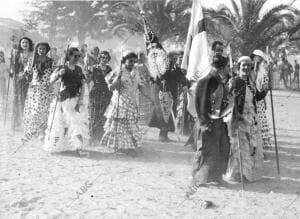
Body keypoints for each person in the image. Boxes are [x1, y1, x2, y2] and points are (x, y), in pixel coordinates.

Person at [186, 54, 231, 197]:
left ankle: (215, 177)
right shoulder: (208, 80)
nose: (227, 69)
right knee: (205, 149)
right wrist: (205, 123)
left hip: (218, 121)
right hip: (207, 122)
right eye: (226, 67)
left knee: (222, 147)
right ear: (222, 67)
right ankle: (197, 177)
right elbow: (202, 103)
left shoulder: (218, 80)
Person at [224, 56, 268, 183]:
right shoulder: (234, 81)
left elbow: (256, 97)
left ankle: (247, 173)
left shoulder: (250, 82)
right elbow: (226, 98)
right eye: (244, 65)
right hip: (239, 119)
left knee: (250, 146)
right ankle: (237, 173)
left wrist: (264, 91)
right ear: (239, 67)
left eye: (249, 66)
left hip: (251, 118)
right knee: (239, 146)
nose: (246, 68)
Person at [100, 51, 152, 156]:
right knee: (119, 125)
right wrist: (118, 77)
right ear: (124, 61)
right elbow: (110, 87)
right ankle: (119, 146)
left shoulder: (136, 72)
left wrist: (150, 97)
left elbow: (140, 86)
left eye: (134, 61)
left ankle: (128, 146)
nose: (132, 63)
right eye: (130, 61)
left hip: (132, 102)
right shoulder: (118, 70)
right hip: (120, 101)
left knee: (130, 125)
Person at [43, 47, 89, 153]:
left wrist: (80, 101)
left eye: (79, 56)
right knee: (60, 124)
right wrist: (59, 74)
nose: (77, 58)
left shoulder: (79, 69)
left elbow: (82, 86)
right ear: (68, 56)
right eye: (75, 56)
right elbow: (49, 84)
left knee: (76, 124)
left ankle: (78, 147)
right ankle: (55, 146)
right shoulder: (61, 68)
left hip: (74, 99)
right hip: (62, 99)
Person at [22, 42, 54, 143]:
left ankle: (42, 131)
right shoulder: (32, 60)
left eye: (43, 49)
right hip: (34, 89)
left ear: (47, 50)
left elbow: (54, 75)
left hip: (45, 89)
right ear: (37, 50)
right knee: (34, 110)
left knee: (44, 110)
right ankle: (33, 131)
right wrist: (26, 73)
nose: (41, 51)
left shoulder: (51, 61)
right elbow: (28, 72)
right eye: (39, 49)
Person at [88, 51, 113, 145]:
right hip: (96, 93)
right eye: (102, 57)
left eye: (106, 58)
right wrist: (87, 73)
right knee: (94, 115)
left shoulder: (109, 69)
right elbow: (88, 80)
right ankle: (92, 137)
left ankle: (101, 137)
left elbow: (111, 80)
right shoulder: (94, 68)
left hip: (106, 93)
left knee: (104, 115)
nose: (104, 59)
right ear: (99, 58)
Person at [11, 37, 34, 129]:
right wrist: (15, 73)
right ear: (20, 44)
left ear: (29, 44)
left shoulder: (33, 54)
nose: (25, 44)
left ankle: (28, 123)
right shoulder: (17, 54)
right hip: (19, 79)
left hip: (30, 79)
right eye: (23, 42)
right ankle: (17, 122)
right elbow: (14, 67)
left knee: (28, 99)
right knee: (18, 99)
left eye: (26, 42)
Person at [251, 49, 272, 149]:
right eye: (255, 57)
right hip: (250, 98)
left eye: (258, 58)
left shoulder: (263, 72)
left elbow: (265, 86)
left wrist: (265, 91)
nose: (256, 60)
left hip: (259, 99)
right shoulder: (250, 69)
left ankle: (262, 143)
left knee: (260, 119)